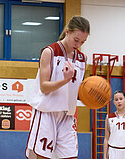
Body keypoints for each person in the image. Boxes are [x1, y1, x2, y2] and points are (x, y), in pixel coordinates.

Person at [25, 16, 90, 159]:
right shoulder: (50, 52)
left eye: (83, 42)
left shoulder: (82, 59)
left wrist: (92, 96)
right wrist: (65, 80)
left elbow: (77, 90)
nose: (78, 44)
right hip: (47, 112)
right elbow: (44, 87)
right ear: (67, 32)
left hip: (67, 116)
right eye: (76, 40)